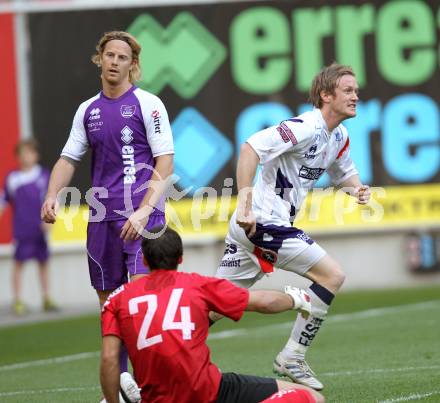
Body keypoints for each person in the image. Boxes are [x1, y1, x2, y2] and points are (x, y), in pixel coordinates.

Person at [215, 63, 371, 390]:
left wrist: (356, 188)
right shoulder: (306, 127)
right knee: (332, 275)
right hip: (263, 224)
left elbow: (343, 173)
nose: (356, 96)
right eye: (348, 90)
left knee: (213, 306)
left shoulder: (338, 136)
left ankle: (149, 365)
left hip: (255, 228)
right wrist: (244, 203)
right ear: (326, 95)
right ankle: (293, 356)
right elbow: (250, 148)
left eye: (356, 90)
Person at [41, 31, 174, 401]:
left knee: (141, 299)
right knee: (110, 304)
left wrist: (146, 210)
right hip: (101, 218)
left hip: (141, 218)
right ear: (99, 59)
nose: (115, 62)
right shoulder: (87, 111)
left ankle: (149, 386)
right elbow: (69, 158)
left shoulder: (149, 105)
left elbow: (165, 159)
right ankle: (120, 385)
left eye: (123, 57)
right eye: (109, 55)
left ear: (133, 64)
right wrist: (52, 195)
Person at [100, 226, 324, 403]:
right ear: (180, 258)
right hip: (209, 392)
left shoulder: (117, 299)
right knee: (312, 397)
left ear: (145, 261)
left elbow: (110, 358)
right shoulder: (197, 284)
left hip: (155, 397)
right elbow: (262, 302)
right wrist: (295, 299)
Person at [0, 139, 57, 315]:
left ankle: (47, 298)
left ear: (36, 155)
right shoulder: (12, 178)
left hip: (40, 229)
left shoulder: (45, 175)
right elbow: (3, 201)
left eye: (30, 153)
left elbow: (54, 199)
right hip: (22, 229)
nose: (26, 157)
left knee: (43, 263)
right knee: (18, 264)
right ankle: (18, 300)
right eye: (23, 153)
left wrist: (50, 221)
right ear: (18, 156)